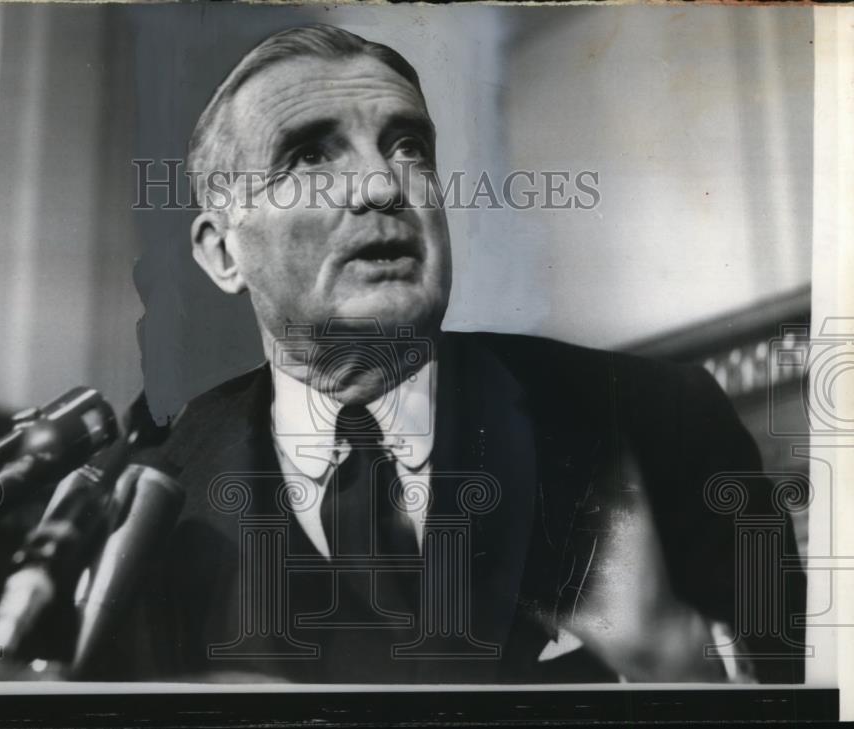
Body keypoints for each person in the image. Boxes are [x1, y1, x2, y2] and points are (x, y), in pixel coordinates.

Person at [88, 24, 805, 684]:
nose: (382, 186)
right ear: (222, 251)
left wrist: (678, 667)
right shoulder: (150, 495)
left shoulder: (658, 421)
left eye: (408, 147)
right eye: (308, 155)